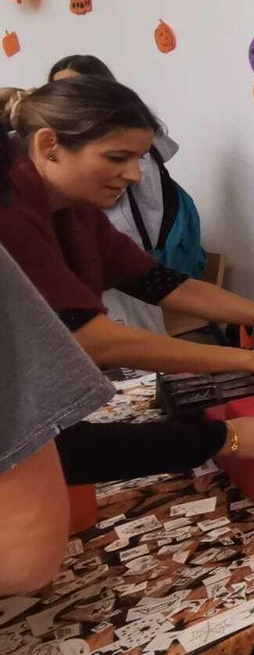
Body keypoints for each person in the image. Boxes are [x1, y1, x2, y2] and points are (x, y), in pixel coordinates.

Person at [0, 78, 254, 478]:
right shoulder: (11, 212)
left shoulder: (76, 211)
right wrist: (251, 360)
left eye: (139, 160)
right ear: (48, 146)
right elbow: (92, 339)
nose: (133, 175)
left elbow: (164, 283)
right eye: (117, 158)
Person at [47, 55, 202, 333]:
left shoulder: (104, 240)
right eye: (117, 158)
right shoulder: (28, 224)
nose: (134, 174)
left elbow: (162, 292)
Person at [0, 242, 113, 594]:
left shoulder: (80, 222)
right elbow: (23, 555)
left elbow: (150, 277)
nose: (133, 182)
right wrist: (222, 438)